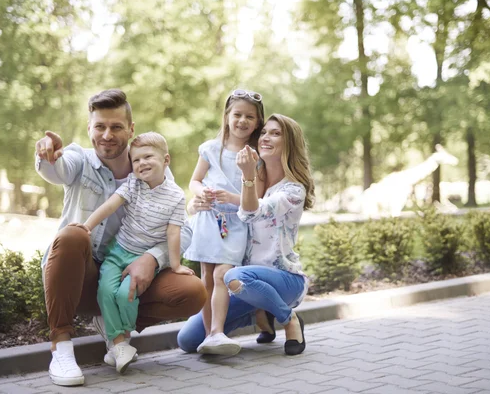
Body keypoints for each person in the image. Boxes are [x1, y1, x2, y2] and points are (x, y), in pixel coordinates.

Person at [35, 89, 206, 386]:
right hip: (81, 278)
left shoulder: (151, 169)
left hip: (128, 272)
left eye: (116, 126)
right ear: (89, 128)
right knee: (74, 236)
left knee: (192, 291)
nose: (107, 135)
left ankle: (113, 328)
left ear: (131, 129)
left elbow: (183, 228)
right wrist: (47, 155)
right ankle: (61, 347)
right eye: (99, 126)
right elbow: (58, 169)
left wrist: (153, 258)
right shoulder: (79, 158)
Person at [177, 114, 315, 357]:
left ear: (289, 143)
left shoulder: (293, 189)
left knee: (232, 275)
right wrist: (196, 205)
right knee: (188, 339)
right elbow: (218, 210)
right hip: (246, 284)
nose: (266, 137)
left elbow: (251, 212)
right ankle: (261, 312)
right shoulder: (257, 180)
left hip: (283, 279)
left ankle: (288, 317)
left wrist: (247, 177)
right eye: (264, 132)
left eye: (275, 133)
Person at [70, 132, 195, 374]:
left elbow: (173, 233)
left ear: (166, 160)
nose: (141, 164)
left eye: (148, 157)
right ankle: (119, 346)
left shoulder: (176, 196)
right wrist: (87, 226)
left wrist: (176, 264)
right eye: (136, 160)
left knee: (125, 294)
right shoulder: (132, 185)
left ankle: (121, 339)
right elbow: (109, 206)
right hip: (118, 252)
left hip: (142, 257)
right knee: (106, 290)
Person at [184, 89, 264, 355]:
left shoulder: (255, 156)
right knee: (207, 276)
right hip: (209, 219)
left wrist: (232, 196)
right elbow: (194, 180)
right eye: (237, 114)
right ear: (227, 116)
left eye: (249, 117)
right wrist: (200, 193)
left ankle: (218, 331)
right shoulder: (210, 149)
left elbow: (257, 197)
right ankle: (209, 336)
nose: (242, 121)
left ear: (257, 121)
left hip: (236, 223)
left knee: (222, 274)